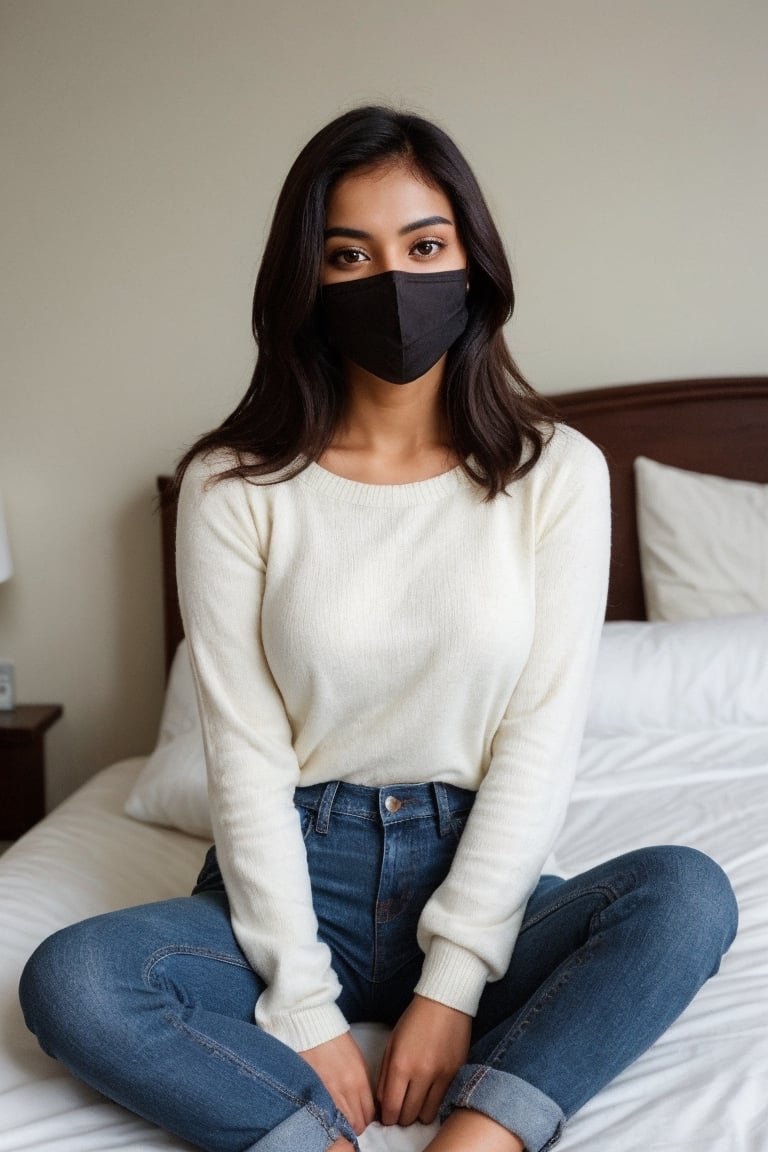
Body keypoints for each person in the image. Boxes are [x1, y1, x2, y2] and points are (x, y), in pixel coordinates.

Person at [20, 106, 737, 1152]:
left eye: (425, 246)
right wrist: (304, 1008)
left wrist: (451, 987)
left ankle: (479, 1140)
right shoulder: (234, 484)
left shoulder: (557, 474)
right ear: (305, 281)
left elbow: (539, 737)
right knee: (75, 980)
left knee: (686, 894)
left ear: (472, 265)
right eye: (348, 254)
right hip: (287, 874)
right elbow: (245, 750)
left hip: (474, 866)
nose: (392, 282)